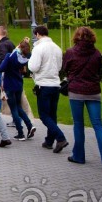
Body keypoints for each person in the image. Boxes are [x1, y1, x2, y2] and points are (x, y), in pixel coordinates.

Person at [64, 26, 102, 171]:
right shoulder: (96, 53)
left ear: (76, 37)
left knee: (78, 124)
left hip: (76, 91)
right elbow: (98, 69)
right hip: (93, 91)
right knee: (98, 124)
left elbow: (65, 67)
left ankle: (78, 156)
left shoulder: (71, 52)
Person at [29, 25, 69, 153]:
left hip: (43, 84)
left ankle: (61, 138)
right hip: (55, 84)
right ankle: (49, 141)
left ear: (37, 34)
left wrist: (29, 63)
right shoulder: (57, 47)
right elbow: (59, 66)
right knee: (52, 114)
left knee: (44, 115)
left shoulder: (38, 48)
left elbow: (33, 67)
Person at [0, 37, 36, 141]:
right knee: (18, 107)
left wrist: (8, 57)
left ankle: (20, 133)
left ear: (19, 47)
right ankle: (29, 125)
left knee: (14, 109)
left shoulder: (10, 56)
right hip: (18, 84)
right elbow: (24, 52)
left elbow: (1, 68)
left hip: (9, 85)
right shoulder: (25, 58)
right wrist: (23, 44)